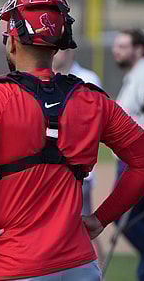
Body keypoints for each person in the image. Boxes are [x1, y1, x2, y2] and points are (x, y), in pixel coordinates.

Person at [0, 0, 144, 280]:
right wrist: (102, 218)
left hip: (12, 265)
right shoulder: (94, 99)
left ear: (12, 42)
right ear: (61, 42)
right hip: (80, 267)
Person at [53, 48, 105, 267]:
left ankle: (99, 271)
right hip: (51, 171)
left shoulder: (88, 79)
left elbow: (95, 125)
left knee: (83, 230)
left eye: (63, 47)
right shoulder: (43, 79)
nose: (58, 52)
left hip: (78, 171)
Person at [112, 29, 144, 281]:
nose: (117, 51)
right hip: (131, 158)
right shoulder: (134, 76)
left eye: (123, 46)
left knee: (121, 216)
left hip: (138, 159)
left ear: (139, 49)